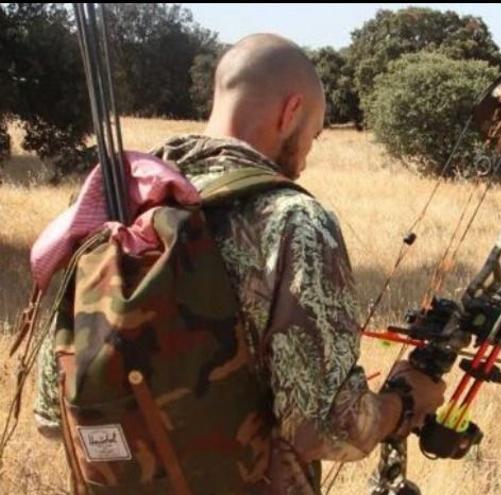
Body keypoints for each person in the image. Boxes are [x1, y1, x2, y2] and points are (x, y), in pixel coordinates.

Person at [34, 33, 446, 494]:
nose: (307, 156)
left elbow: (53, 414)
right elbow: (332, 426)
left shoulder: (114, 201)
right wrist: (405, 401)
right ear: (290, 112)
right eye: (312, 133)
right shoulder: (293, 220)